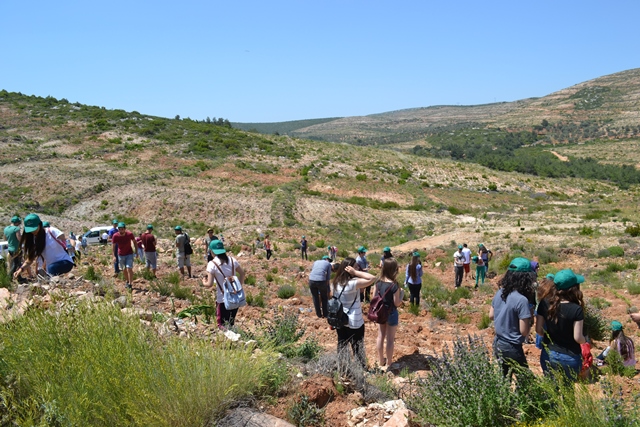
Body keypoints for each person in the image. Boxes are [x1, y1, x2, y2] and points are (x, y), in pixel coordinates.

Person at [536, 269, 588, 381]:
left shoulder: (544, 304)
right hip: (570, 356)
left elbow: (539, 331)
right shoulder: (576, 309)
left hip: (549, 354)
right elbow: (578, 338)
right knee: (568, 392)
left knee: (551, 389)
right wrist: (585, 340)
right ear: (574, 288)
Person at [489, 257, 535, 376]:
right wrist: (529, 318)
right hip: (512, 347)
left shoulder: (500, 292)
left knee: (504, 379)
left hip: (498, 343)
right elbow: (524, 331)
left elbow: (491, 315)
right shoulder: (521, 300)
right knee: (526, 382)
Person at [331, 258, 376, 368]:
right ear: (349, 269)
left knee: (342, 344)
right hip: (355, 321)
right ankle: (360, 369)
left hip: (340, 319)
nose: (357, 269)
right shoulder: (353, 283)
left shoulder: (335, 283)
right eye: (355, 267)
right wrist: (355, 273)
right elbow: (372, 278)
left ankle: (343, 367)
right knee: (357, 346)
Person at [202, 239, 246, 330]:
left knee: (222, 325)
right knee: (230, 323)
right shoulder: (232, 260)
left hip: (223, 300)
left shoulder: (212, 264)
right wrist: (238, 287)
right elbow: (242, 273)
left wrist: (204, 282)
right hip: (235, 298)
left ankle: (230, 340)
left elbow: (209, 284)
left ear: (212, 251)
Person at [13, 213, 74, 278]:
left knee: (52, 269)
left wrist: (72, 246)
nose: (33, 231)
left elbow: (68, 239)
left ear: (40, 225)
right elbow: (29, 260)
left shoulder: (51, 231)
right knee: (49, 273)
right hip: (50, 269)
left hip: (65, 262)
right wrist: (20, 270)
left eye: (34, 228)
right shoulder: (34, 240)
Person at [373, 257, 403, 369]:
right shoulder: (394, 285)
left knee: (380, 336)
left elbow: (374, 298)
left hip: (381, 313)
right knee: (390, 339)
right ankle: (389, 363)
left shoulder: (378, 282)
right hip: (391, 313)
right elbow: (396, 303)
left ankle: (381, 361)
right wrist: (401, 296)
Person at [111, 222, 137, 290]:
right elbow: (113, 246)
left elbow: (134, 242)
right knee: (124, 269)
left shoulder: (129, 234)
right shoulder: (115, 236)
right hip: (121, 254)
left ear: (125, 229)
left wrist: (136, 252)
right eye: (120, 229)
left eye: (122, 229)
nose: (121, 231)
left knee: (129, 268)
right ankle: (127, 281)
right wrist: (113, 256)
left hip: (129, 253)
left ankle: (130, 284)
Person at [4, 216, 23, 280]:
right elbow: (19, 238)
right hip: (16, 249)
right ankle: (10, 277)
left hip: (10, 248)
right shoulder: (16, 229)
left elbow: (5, 238)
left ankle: (18, 277)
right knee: (17, 264)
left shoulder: (6, 229)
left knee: (13, 263)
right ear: (17, 222)